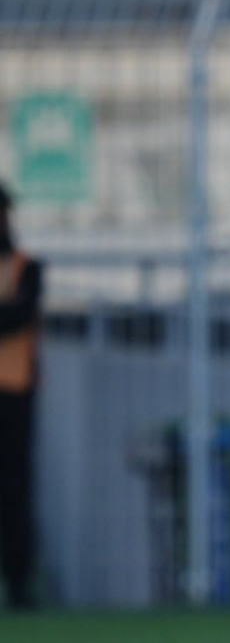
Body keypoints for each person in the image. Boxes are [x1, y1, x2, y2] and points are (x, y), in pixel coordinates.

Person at [0, 180, 42, 611]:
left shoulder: (26, 267)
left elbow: (19, 316)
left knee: (14, 490)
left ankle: (17, 584)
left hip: (14, 393)